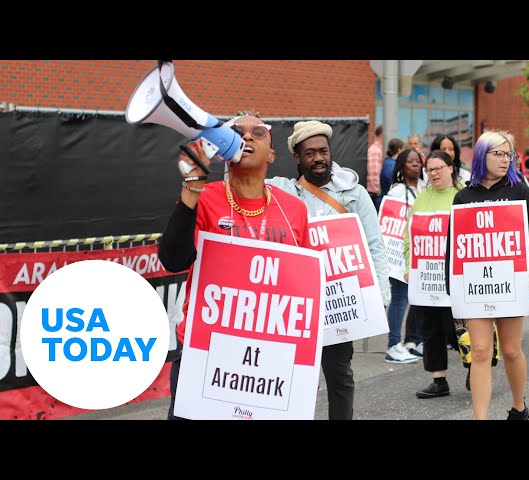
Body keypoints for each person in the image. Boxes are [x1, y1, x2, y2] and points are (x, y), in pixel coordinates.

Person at [158, 111, 312, 420]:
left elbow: (303, 289)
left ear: (271, 153)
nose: (246, 136)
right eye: (236, 132)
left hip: (267, 362)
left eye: (258, 131)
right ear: (223, 149)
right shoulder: (203, 197)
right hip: (204, 355)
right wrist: (192, 186)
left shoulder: (293, 208)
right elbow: (173, 259)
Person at [267, 120, 391, 420]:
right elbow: (242, 180)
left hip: (339, 305)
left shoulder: (355, 193)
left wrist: (381, 296)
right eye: (310, 153)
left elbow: (374, 244)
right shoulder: (282, 192)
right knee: (295, 381)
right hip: (296, 304)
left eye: (323, 151)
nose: (319, 158)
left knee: (339, 376)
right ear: (297, 158)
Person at [445, 130, 529, 420]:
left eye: (509, 155)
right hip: (475, 286)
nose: (506, 160)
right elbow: (453, 248)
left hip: (512, 282)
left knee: (511, 349)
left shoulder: (519, 192)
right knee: (479, 350)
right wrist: (452, 292)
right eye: (499, 154)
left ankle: (519, 407)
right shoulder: (463, 197)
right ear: (482, 156)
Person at [405, 150, 463, 397]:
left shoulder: (462, 196)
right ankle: (439, 380)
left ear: (451, 168)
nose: (434, 173)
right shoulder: (421, 198)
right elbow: (408, 236)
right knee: (430, 328)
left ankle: (476, 367)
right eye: (430, 170)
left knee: (456, 329)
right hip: (425, 277)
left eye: (439, 168)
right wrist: (409, 267)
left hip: (453, 278)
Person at [383, 148, 427, 363]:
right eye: (410, 162)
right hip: (400, 255)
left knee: (418, 299)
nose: (416, 165)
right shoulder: (397, 191)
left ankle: (417, 341)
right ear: (401, 167)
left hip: (419, 252)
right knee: (400, 299)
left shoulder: (423, 188)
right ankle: (393, 345)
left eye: (418, 161)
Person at [376, 138, 405, 210]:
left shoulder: (387, 162)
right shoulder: (393, 164)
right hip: (388, 201)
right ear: (399, 149)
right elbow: (391, 181)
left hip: (384, 199)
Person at [367, 125, 384, 208]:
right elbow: (374, 174)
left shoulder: (376, 150)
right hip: (375, 194)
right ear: (382, 134)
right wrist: (380, 191)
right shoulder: (376, 151)